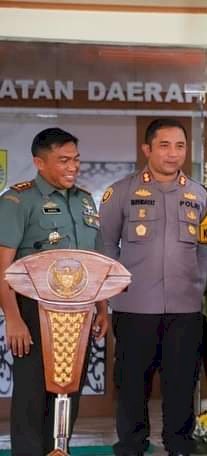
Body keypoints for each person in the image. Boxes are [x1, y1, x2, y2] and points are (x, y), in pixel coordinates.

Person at [97, 118, 207, 456]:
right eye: (164, 145)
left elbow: (203, 251)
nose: (173, 153)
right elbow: (106, 246)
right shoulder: (121, 192)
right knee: (132, 387)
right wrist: (117, 292)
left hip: (185, 310)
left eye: (179, 146)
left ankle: (179, 447)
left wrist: (194, 289)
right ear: (147, 149)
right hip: (134, 309)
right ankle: (132, 447)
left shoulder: (199, 194)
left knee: (181, 387)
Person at [0, 127, 108, 455]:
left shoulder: (86, 201)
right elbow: (4, 268)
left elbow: (94, 261)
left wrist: (103, 309)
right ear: (39, 162)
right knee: (32, 398)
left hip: (79, 314)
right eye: (63, 160)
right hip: (33, 314)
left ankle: (58, 450)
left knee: (68, 394)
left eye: (75, 159)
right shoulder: (18, 200)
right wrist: (13, 319)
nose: (72, 167)